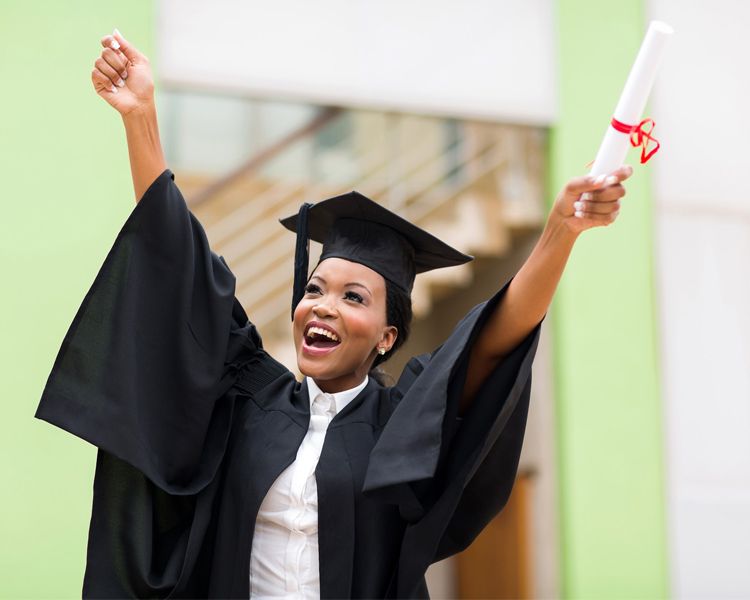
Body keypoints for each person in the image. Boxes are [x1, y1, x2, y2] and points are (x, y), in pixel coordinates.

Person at [36, 30, 631, 599]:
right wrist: (141, 116)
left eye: (354, 297)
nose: (323, 306)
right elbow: (177, 262)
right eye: (315, 289)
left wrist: (560, 231)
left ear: (387, 335)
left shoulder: (401, 426)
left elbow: (493, 343)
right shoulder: (248, 402)